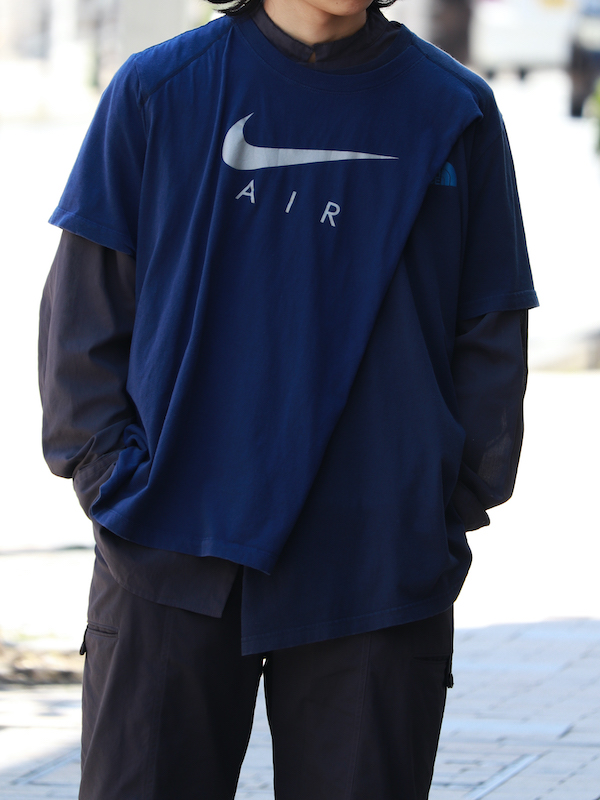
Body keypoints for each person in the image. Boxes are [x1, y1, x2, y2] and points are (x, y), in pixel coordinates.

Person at [38, 0, 538, 797]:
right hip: (170, 546)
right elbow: (85, 319)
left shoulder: (453, 108)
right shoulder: (160, 88)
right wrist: (117, 484)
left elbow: (489, 330)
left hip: (376, 565)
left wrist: (434, 507)